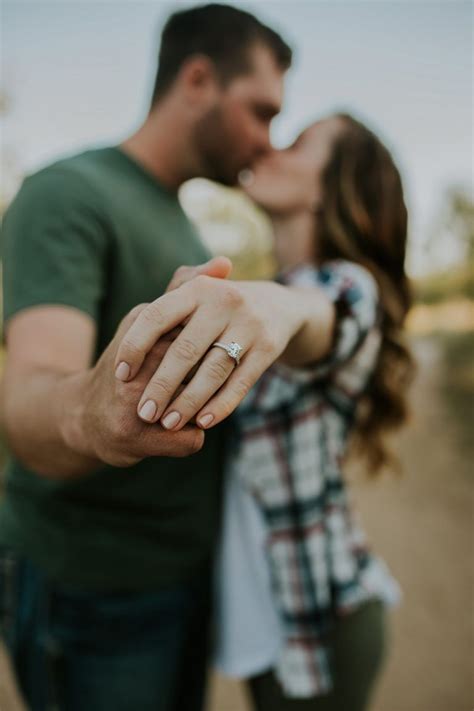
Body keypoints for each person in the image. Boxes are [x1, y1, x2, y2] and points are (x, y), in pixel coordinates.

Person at [0, 4, 294, 710]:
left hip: (186, 579)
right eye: (261, 110)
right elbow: (27, 394)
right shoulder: (69, 192)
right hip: (97, 593)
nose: (267, 139)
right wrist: (93, 411)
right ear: (197, 80)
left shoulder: (184, 223)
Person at [211, 114, 415, 711]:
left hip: (327, 626)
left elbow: (322, 314)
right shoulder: (281, 290)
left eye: (298, 143)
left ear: (330, 188)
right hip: (277, 624)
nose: (271, 146)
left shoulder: (347, 289)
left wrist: (278, 305)